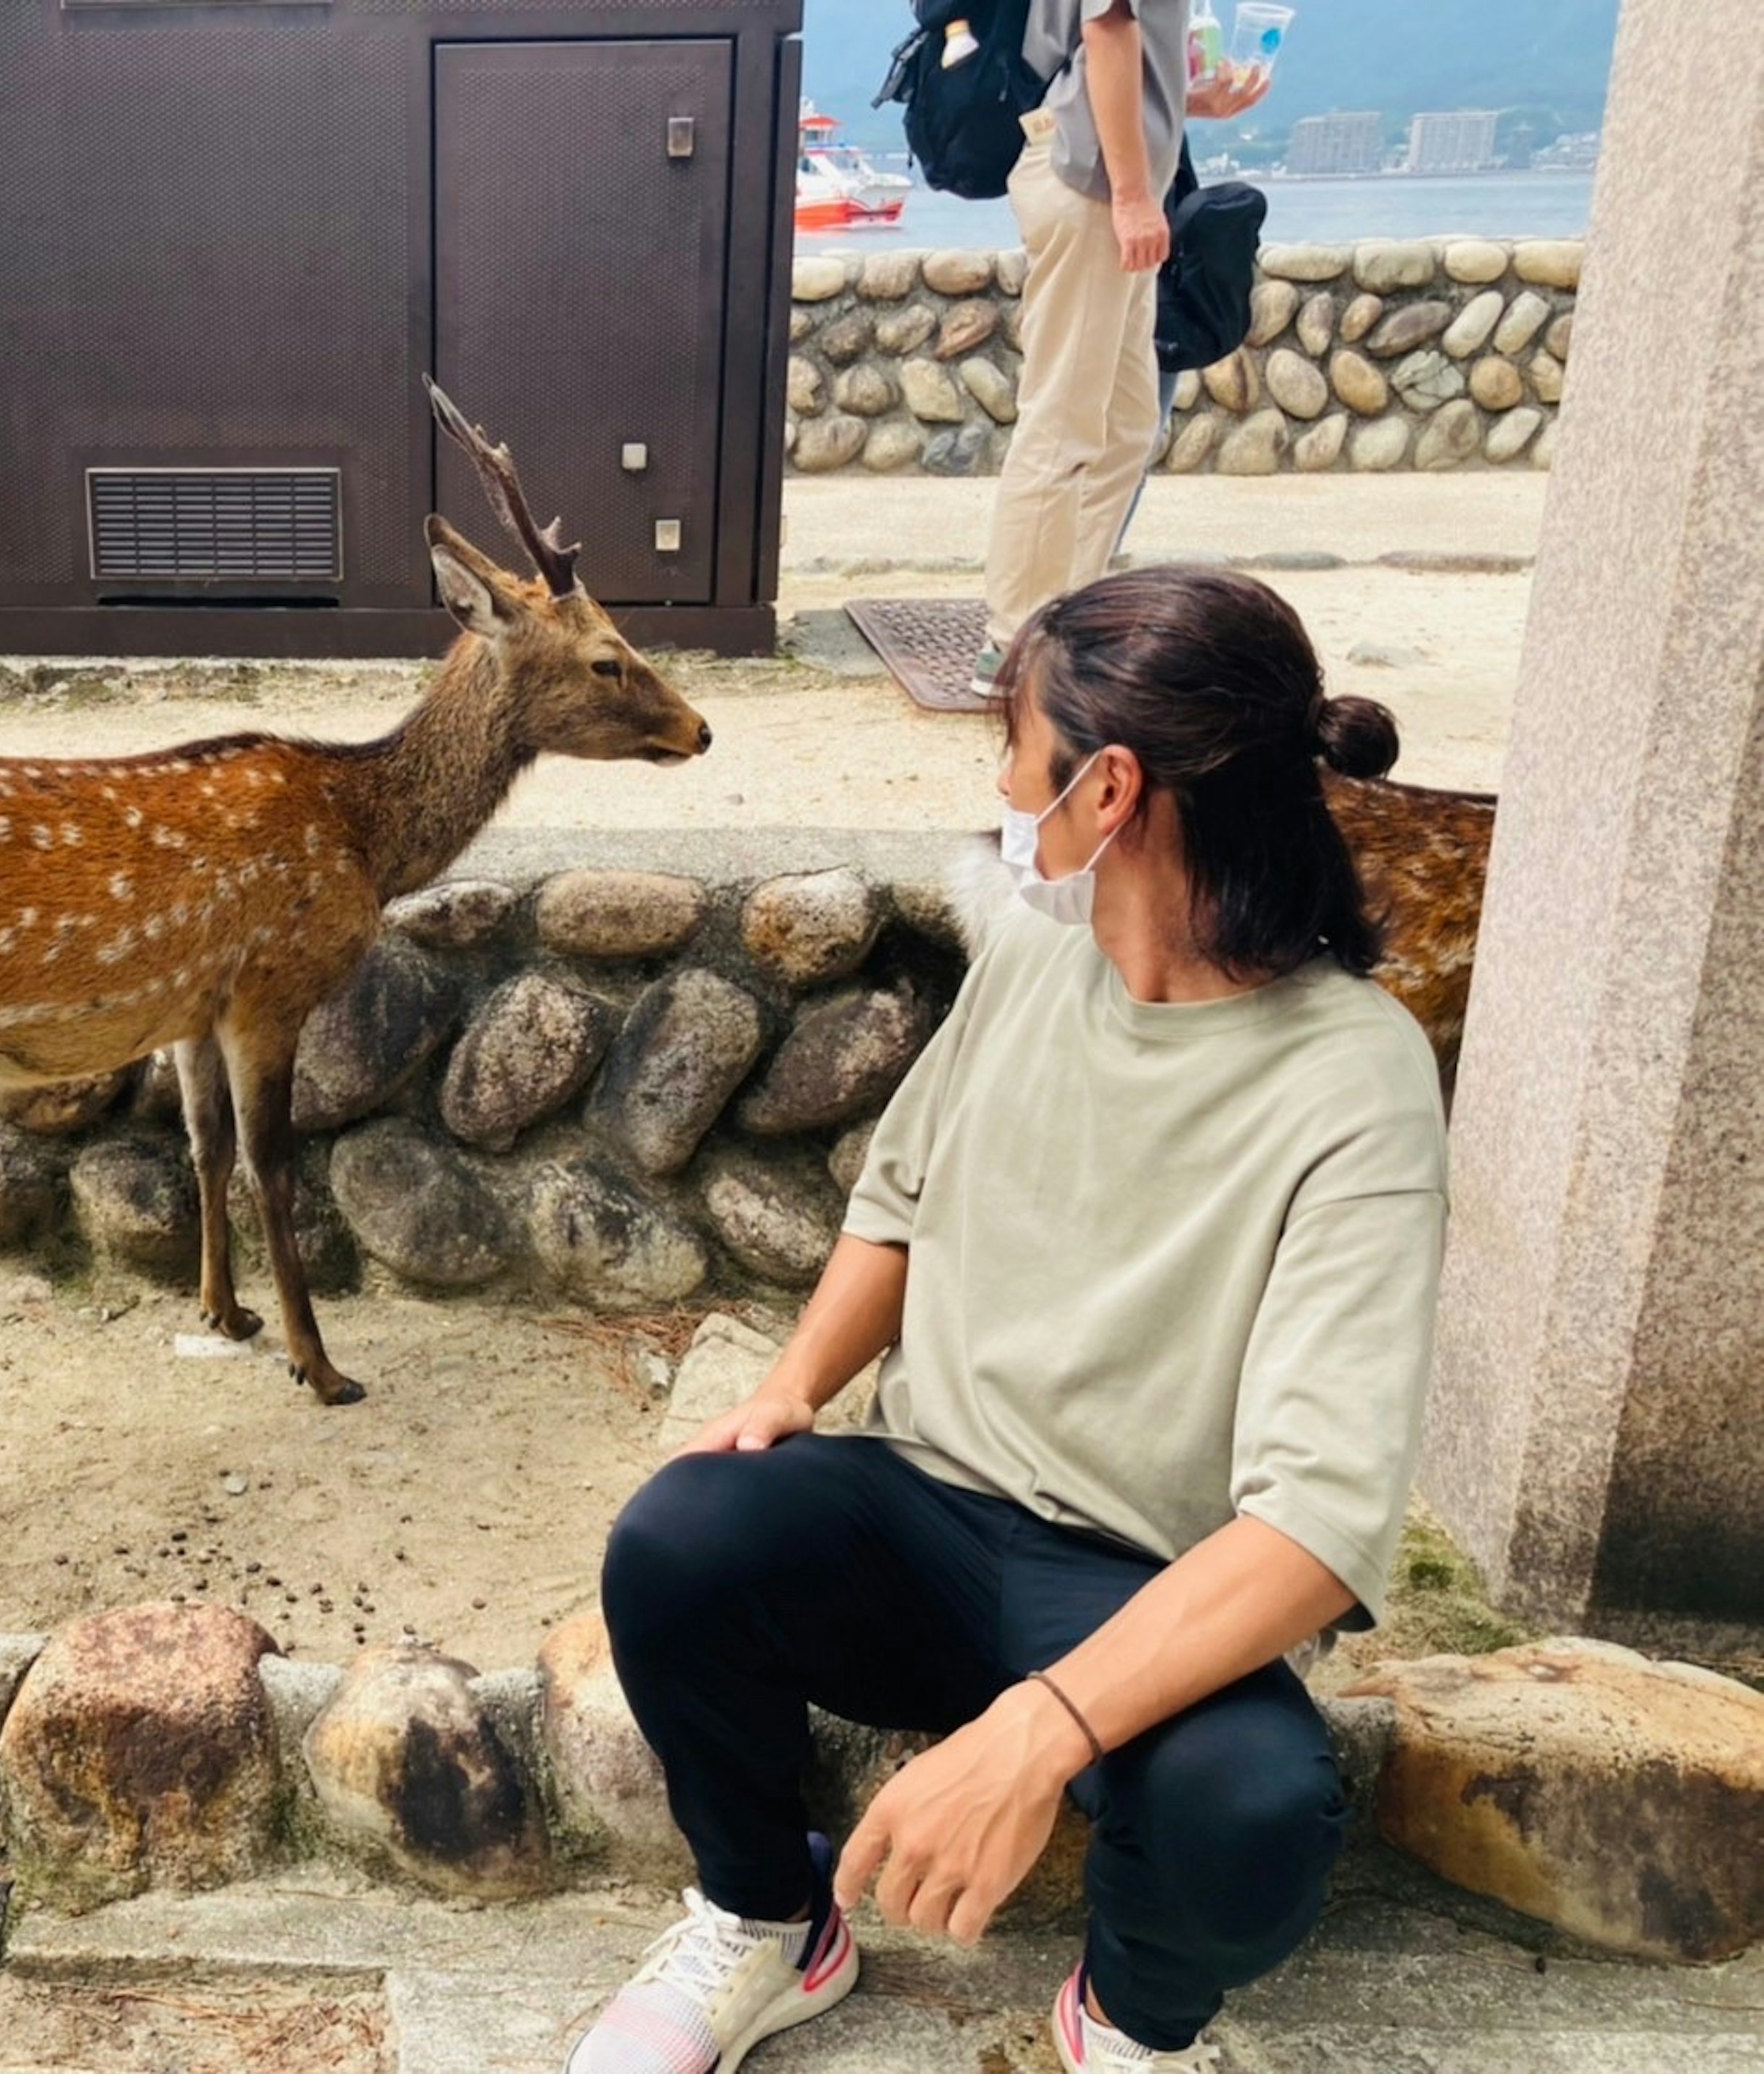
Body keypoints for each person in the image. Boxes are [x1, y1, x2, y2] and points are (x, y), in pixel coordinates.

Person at [564, 566, 1448, 2074]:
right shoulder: (1039, 953)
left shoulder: (1354, 1077)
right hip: (923, 1504)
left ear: (1110, 789)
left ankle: (1122, 2021)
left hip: (1137, 1578)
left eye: (1018, 747)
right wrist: (793, 1383)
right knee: (680, 1537)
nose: (996, 781)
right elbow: (900, 1195)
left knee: (1254, 1806)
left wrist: (1038, 1731)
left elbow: (1315, 1525)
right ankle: (770, 1917)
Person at [967, 4, 1270, 706]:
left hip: (1105, 177)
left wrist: (1187, 101)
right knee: (1064, 420)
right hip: (1093, 184)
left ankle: (1072, 621)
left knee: (1126, 423)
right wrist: (1134, 198)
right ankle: (1014, 644)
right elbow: (1106, 29)